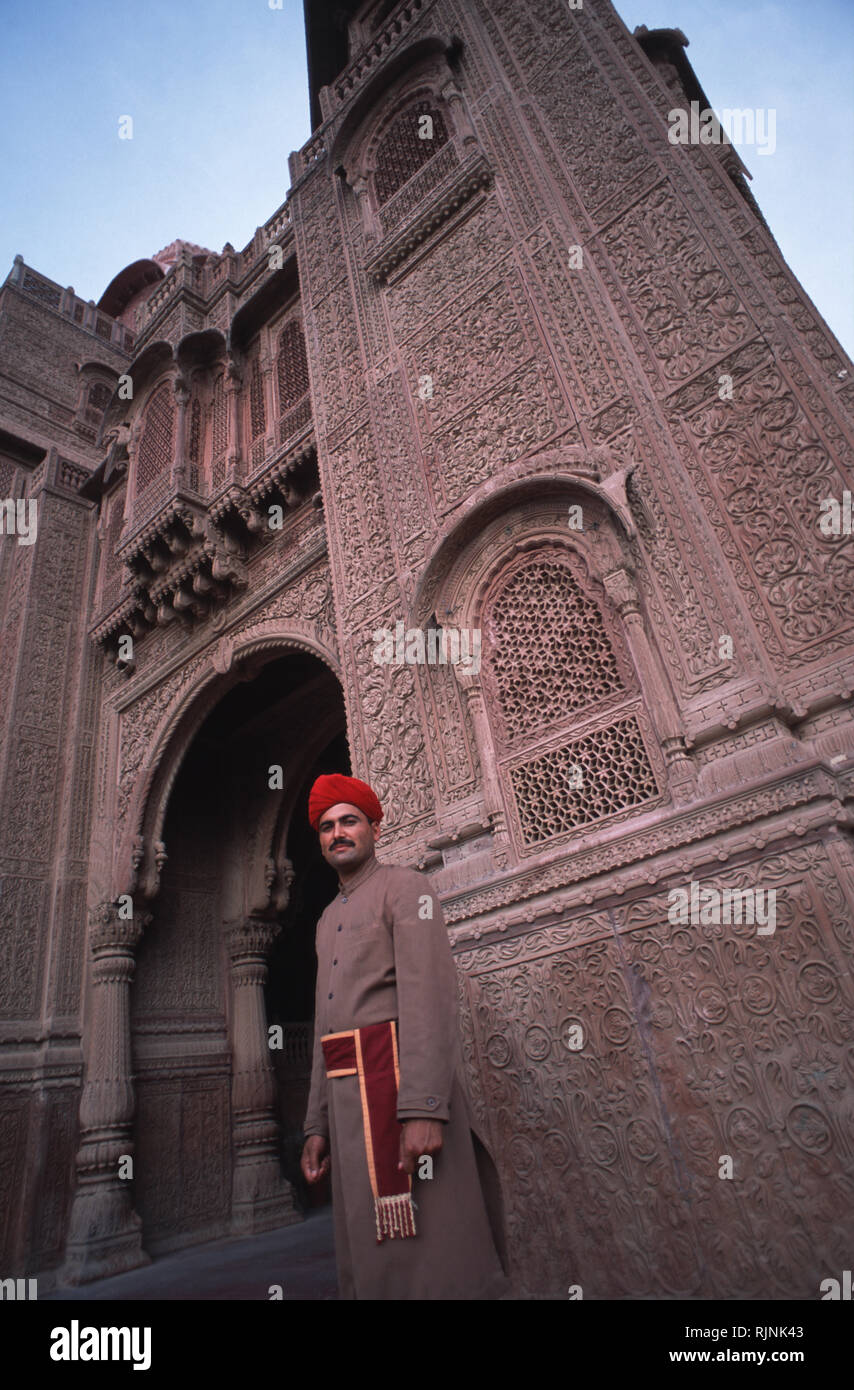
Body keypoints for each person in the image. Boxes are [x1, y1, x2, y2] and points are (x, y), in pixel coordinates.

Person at [300, 772, 509, 1299]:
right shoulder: (326, 920)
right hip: (348, 1104)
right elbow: (326, 1026)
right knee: (371, 1253)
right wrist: (315, 1124)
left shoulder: (406, 888)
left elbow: (428, 998)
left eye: (349, 821)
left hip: (397, 1092)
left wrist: (424, 1107)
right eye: (327, 827)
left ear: (373, 827)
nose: (337, 833)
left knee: (437, 1248)